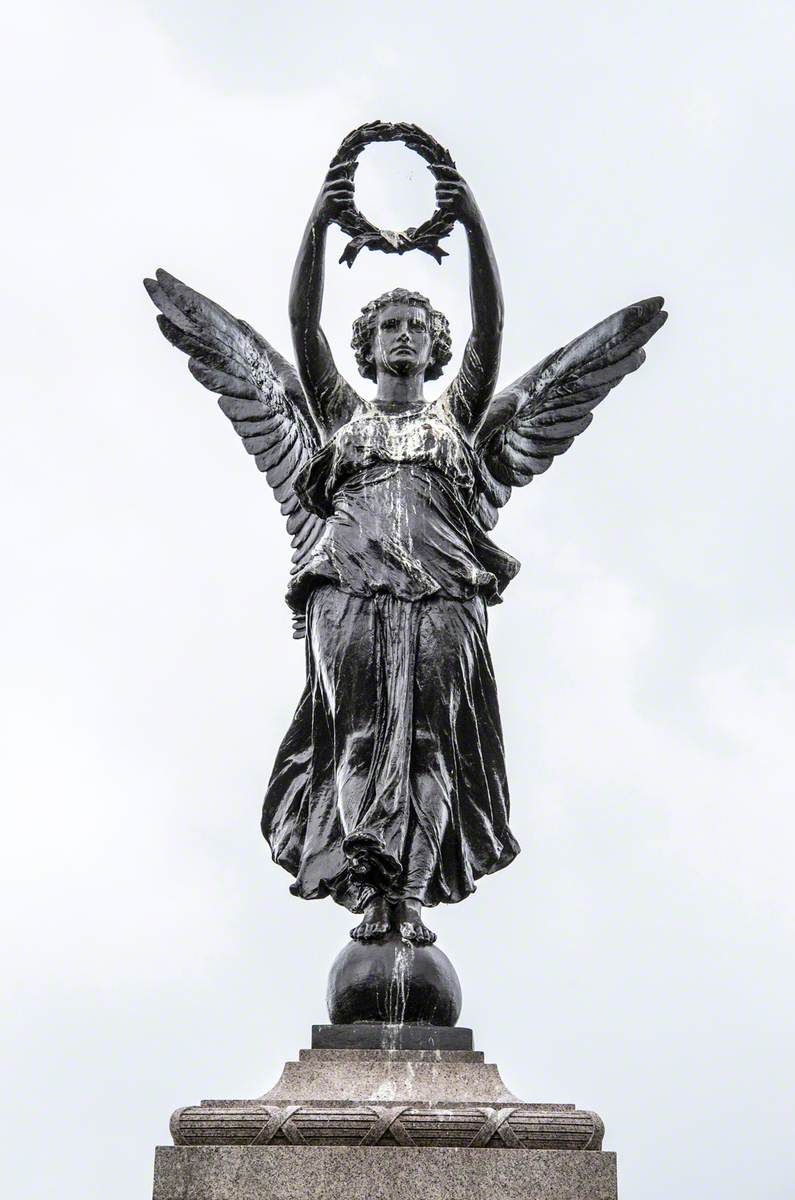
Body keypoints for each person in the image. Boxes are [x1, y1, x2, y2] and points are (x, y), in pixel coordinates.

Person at [260, 159, 521, 944]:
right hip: (346, 588)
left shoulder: (458, 418)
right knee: (361, 735)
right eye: (387, 326)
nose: (403, 333)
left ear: (434, 345)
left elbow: (493, 327)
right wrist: (321, 217)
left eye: (416, 325)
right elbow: (301, 327)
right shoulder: (340, 412)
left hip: (444, 592)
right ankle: (371, 893)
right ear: (367, 347)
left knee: (433, 739)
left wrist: (470, 218)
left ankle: (407, 895)